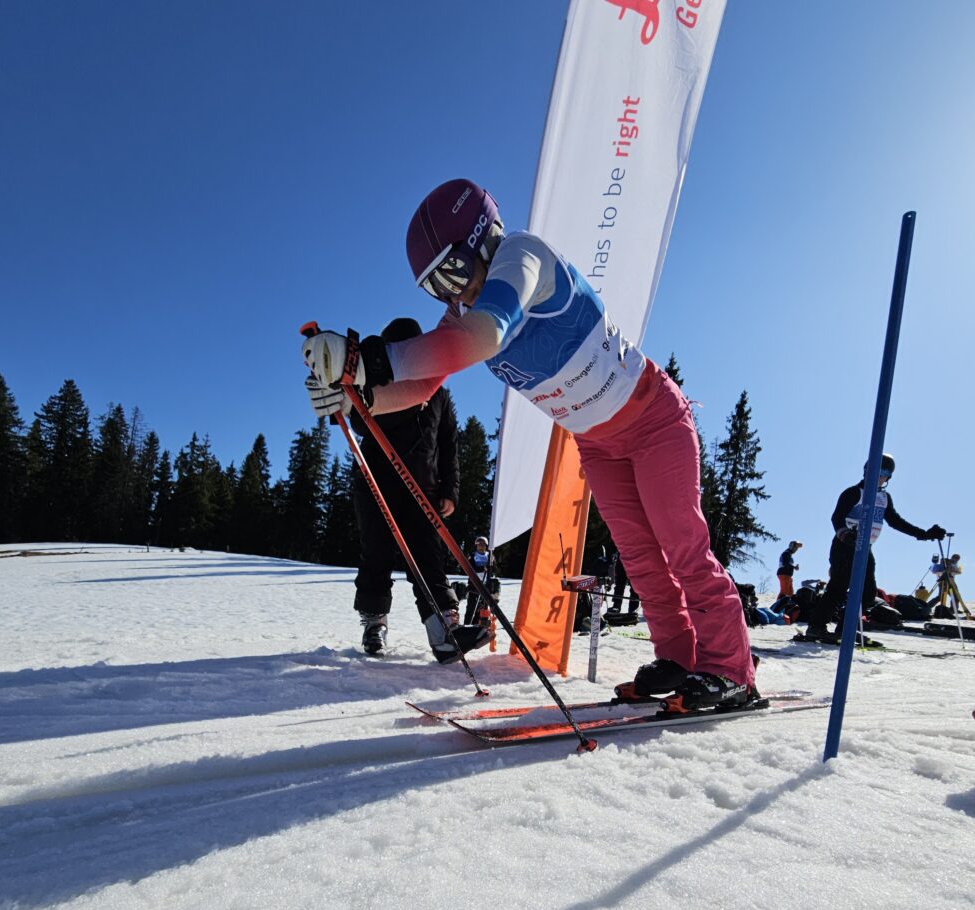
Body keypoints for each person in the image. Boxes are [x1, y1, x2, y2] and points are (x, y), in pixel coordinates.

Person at [303, 179, 754, 710]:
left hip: (654, 418)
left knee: (681, 544)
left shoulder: (522, 255)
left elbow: (485, 336)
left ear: (483, 238)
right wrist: (356, 394)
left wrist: (369, 358)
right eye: (434, 288)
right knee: (639, 556)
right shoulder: (462, 309)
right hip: (598, 443)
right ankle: (678, 656)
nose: (451, 295)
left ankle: (731, 669)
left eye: (452, 273)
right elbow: (425, 383)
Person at [311, 317, 489, 663]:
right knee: (376, 552)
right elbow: (360, 421)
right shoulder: (376, 388)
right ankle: (374, 622)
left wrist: (450, 489)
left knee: (427, 555)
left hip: (424, 485)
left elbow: (450, 441)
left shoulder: (438, 393)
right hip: (377, 479)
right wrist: (347, 396)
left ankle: (444, 628)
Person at [804, 453, 945, 641]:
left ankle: (845, 629)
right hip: (845, 546)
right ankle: (816, 627)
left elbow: (896, 521)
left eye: (886, 473)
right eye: (878, 471)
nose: (881, 476)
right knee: (839, 586)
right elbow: (837, 517)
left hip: (865, 548)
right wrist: (845, 534)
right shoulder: (854, 493)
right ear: (867, 471)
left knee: (868, 592)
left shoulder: (884, 498)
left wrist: (925, 534)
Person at [463, 535, 498, 626]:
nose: (481, 546)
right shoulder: (473, 556)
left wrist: (491, 567)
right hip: (474, 585)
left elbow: (494, 568)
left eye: (483, 544)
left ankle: (476, 624)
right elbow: (470, 568)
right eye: (479, 544)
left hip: (485, 585)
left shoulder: (490, 556)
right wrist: (483, 568)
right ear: (476, 545)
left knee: (482, 607)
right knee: (471, 607)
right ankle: (467, 624)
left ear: (486, 546)